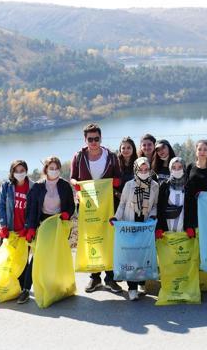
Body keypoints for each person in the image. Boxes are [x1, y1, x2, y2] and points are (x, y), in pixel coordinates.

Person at [69, 123, 122, 294]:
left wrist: (115, 183)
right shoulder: (78, 156)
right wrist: (76, 184)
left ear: (101, 138)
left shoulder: (112, 156)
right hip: (87, 205)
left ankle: (111, 278)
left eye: (96, 139)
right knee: (92, 238)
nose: (93, 142)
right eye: (90, 139)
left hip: (107, 205)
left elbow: (119, 178)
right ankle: (95, 277)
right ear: (85, 140)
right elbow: (72, 178)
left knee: (108, 238)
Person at [23, 156, 76, 303]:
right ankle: (26, 289)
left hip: (59, 224)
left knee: (57, 257)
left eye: (56, 168)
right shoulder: (38, 187)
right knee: (38, 257)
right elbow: (31, 209)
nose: (54, 171)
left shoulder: (65, 186)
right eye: (51, 168)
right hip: (43, 224)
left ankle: (59, 288)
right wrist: (31, 228)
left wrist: (67, 214)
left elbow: (71, 206)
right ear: (46, 169)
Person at [112, 157, 159, 301]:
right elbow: (122, 204)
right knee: (131, 256)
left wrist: (152, 216)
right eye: (141, 170)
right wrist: (116, 218)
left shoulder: (155, 186)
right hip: (130, 225)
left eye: (146, 170)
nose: (143, 172)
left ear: (150, 170)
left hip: (145, 226)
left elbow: (155, 205)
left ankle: (141, 282)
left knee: (143, 255)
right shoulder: (128, 185)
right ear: (136, 170)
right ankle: (132, 288)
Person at [0, 159, 34, 304]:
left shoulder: (32, 186)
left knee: (23, 262)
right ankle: (7, 287)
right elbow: (0, 206)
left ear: (26, 171)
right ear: (12, 172)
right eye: (17, 171)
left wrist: (29, 227)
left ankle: (22, 290)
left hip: (23, 232)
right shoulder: (6, 186)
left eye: (22, 170)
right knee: (6, 260)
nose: (20, 173)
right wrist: (3, 226)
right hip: (10, 230)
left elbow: (33, 209)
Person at [184, 140, 207, 237]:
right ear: (196, 151)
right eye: (199, 149)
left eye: (205, 150)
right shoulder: (190, 167)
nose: (202, 152)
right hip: (192, 210)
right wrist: (188, 224)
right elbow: (186, 190)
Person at [157, 157, 188, 235]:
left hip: (184, 231)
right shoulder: (165, 186)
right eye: (174, 167)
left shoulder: (189, 186)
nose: (177, 170)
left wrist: (190, 226)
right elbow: (159, 207)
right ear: (170, 169)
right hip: (166, 231)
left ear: (184, 168)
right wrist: (159, 227)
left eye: (180, 167)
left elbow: (191, 208)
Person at [116, 137, 138, 209]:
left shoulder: (139, 164)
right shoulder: (115, 164)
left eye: (129, 148)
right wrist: (119, 195)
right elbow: (110, 184)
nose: (126, 150)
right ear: (120, 150)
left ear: (133, 149)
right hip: (118, 201)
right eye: (123, 148)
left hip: (135, 202)